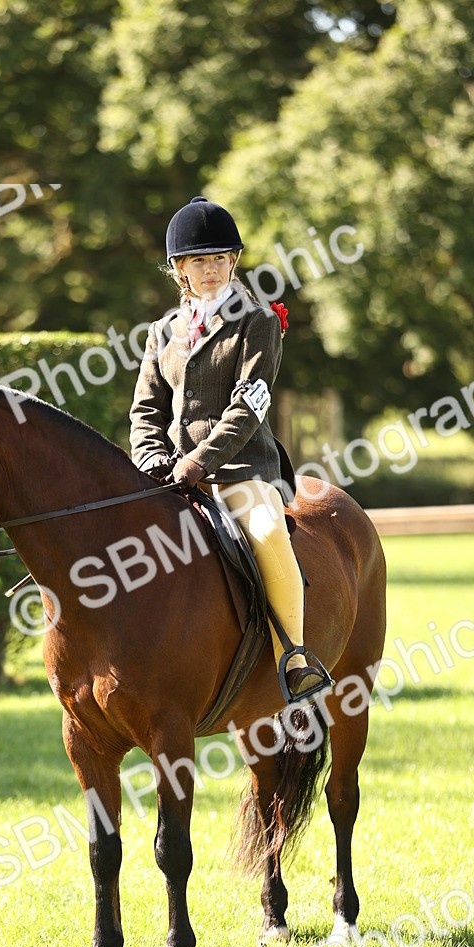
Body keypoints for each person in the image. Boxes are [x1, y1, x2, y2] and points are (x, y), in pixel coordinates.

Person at [129, 195, 328, 700]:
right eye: (200, 260)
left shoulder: (257, 321)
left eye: (220, 259)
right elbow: (146, 411)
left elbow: (249, 405)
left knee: (266, 533)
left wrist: (199, 461)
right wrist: (152, 456)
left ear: (233, 262)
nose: (212, 269)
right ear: (180, 269)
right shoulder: (162, 332)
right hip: (169, 474)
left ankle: (295, 656)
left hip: (240, 470)